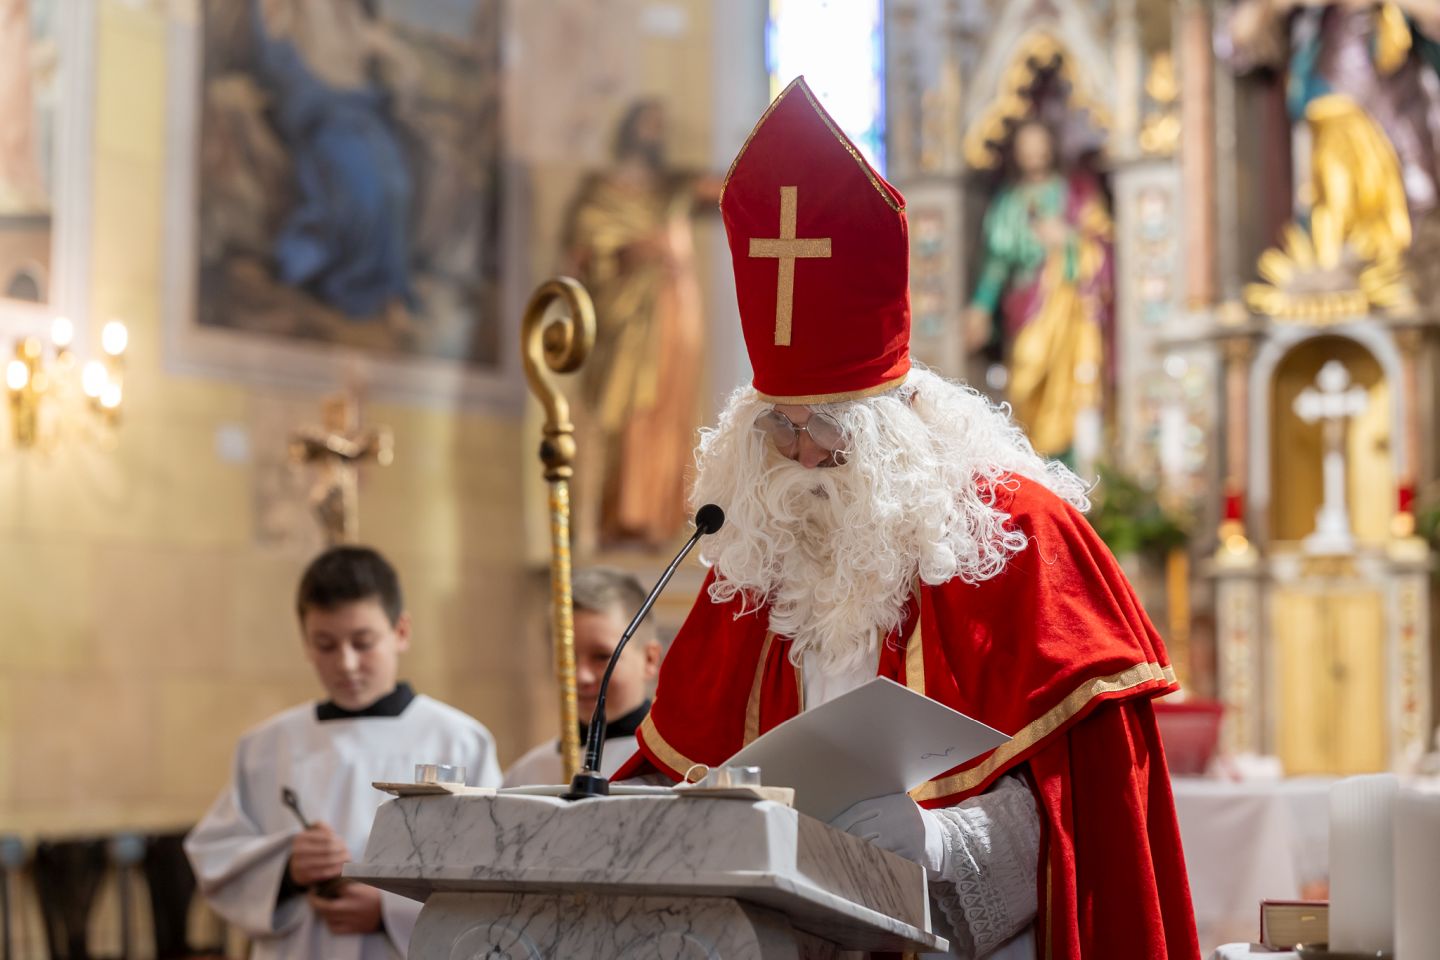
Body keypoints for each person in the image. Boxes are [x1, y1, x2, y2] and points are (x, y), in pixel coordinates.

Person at [617, 78, 1199, 959]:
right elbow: (672, 771)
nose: (802, 456)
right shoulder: (756, 540)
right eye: (780, 429)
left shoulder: (1016, 535)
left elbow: (1097, 803)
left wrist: (945, 845)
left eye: (828, 430)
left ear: (892, 423)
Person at [185, 546, 502, 960]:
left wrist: (391, 910)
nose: (346, 663)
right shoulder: (266, 746)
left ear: (401, 632)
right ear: (305, 642)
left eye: (363, 642)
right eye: (325, 644)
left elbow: (494, 869)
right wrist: (286, 870)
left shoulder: (460, 739)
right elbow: (216, 858)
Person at [565, 99, 722, 548]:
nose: (654, 135)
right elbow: (583, 256)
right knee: (624, 409)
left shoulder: (672, 189)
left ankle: (657, 519)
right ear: (629, 130)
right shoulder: (602, 191)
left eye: (661, 127)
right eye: (647, 126)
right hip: (627, 322)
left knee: (667, 412)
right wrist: (636, 252)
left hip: (674, 316)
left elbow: (727, 190)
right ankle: (617, 519)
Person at [963, 119, 1113, 462]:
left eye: (1038, 142)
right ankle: (1035, 464)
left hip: (1069, 308)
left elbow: (1102, 241)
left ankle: (1072, 465)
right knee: (1026, 376)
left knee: (1071, 386)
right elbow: (997, 263)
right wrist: (981, 306)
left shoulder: (1074, 192)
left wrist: (1069, 242)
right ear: (1016, 151)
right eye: (1025, 144)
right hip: (1027, 305)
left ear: (1050, 145)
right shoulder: (1009, 202)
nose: (1033, 151)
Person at [503, 567, 662, 786]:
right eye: (567, 658)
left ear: (649, 659)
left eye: (602, 656)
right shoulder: (526, 774)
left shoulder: (674, 768)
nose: (581, 677)